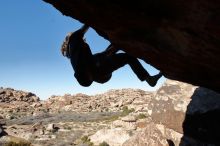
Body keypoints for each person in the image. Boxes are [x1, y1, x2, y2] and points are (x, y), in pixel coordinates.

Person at [61, 24, 162, 87]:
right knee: (128, 57)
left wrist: (113, 48)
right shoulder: (75, 40)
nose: (84, 39)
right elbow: (86, 26)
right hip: (100, 73)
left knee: (107, 52)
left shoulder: (77, 54)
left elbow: (101, 56)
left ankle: (117, 46)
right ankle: (148, 79)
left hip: (96, 73)